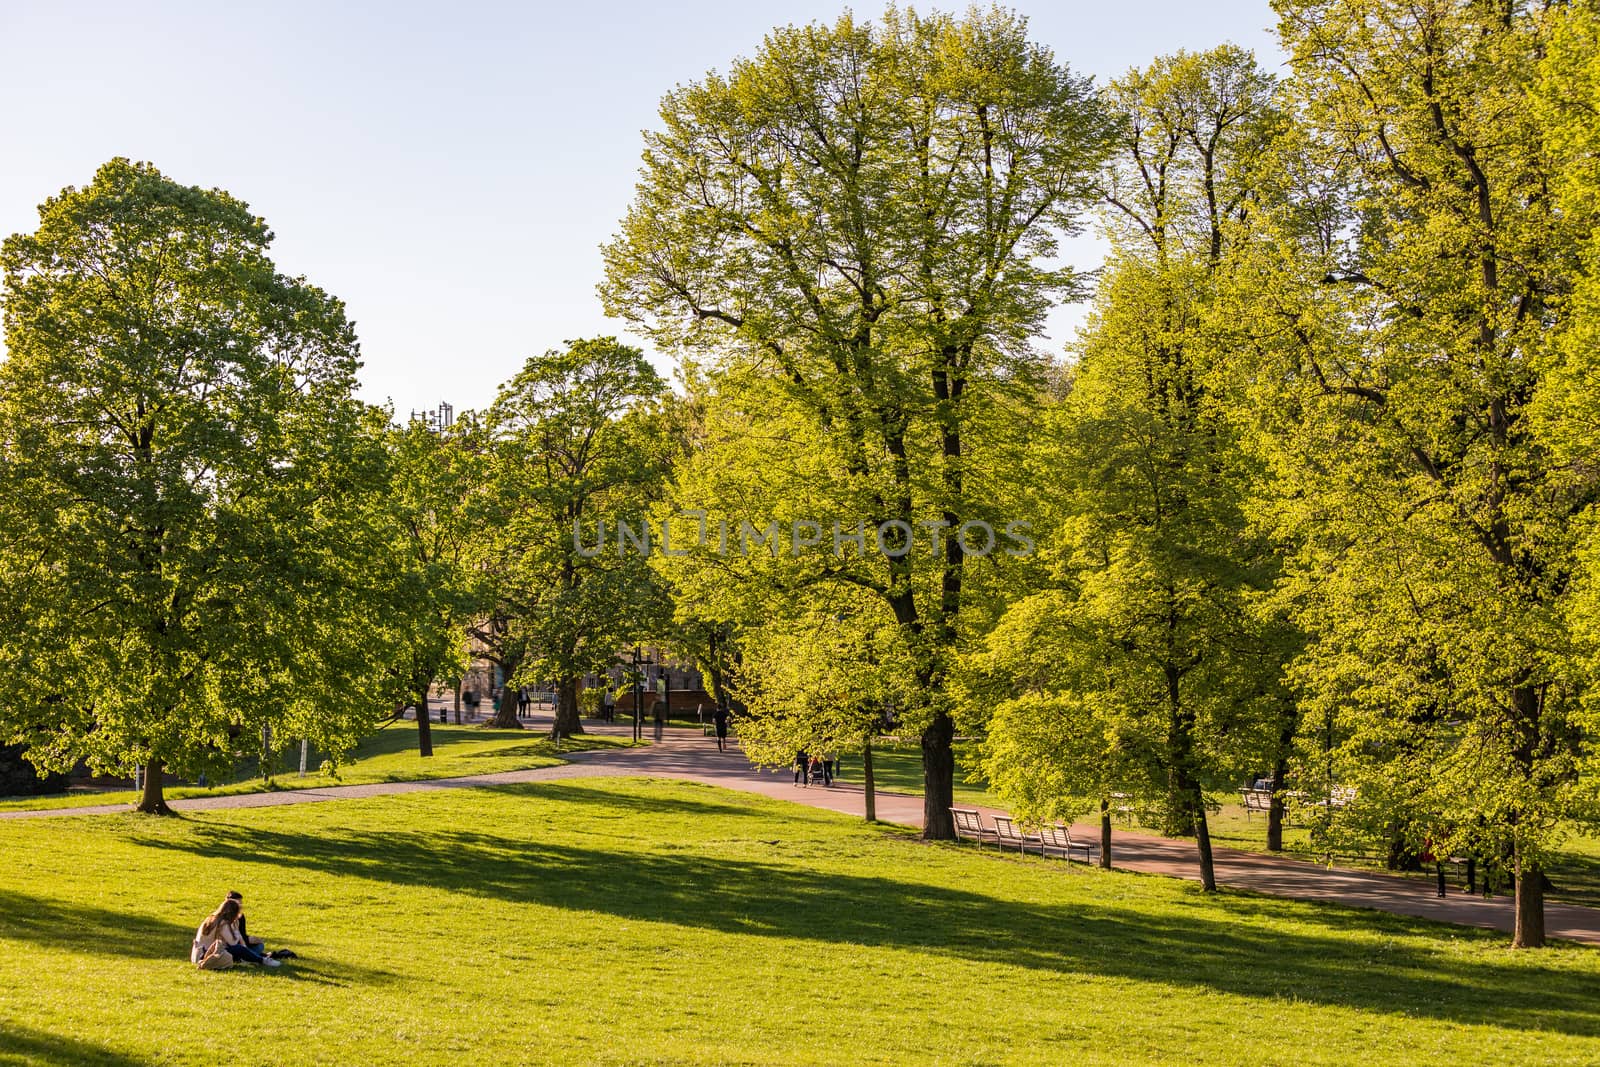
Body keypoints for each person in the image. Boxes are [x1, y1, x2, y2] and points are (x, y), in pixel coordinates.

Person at [194, 898, 280, 967]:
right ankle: (262, 960)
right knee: (238, 948)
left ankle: (254, 958)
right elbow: (233, 943)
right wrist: (236, 931)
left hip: (197, 954)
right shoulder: (223, 923)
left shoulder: (210, 919)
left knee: (255, 947)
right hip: (208, 955)